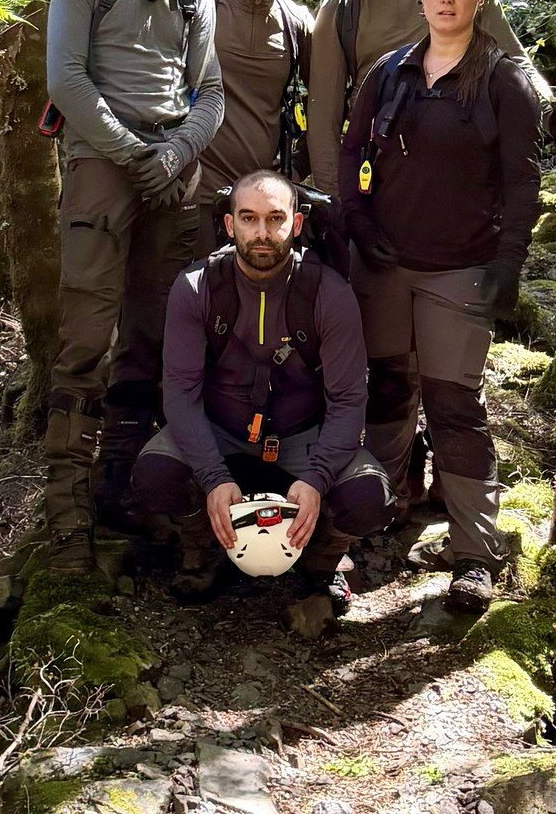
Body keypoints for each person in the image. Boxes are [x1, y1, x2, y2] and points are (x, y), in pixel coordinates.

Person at [339, 0, 541, 614]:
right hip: (386, 268)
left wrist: (508, 263)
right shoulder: (388, 72)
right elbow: (350, 151)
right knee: (388, 396)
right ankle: (376, 522)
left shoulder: (503, 80)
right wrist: (358, 224)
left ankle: (474, 555)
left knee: (454, 407)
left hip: (461, 270)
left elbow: (521, 181)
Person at [42, 0, 226, 571]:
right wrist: (132, 153)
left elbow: (208, 90)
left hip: (171, 174)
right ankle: (64, 511)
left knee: (154, 337)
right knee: (87, 333)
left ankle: (124, 487)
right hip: (103, 165)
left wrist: (177, 153)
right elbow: (65, 77)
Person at [133, 170, 391, 610]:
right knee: (155, 473)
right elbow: (180, 393)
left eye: (275, 219)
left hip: (303, 440)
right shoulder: (195, 288)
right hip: (219, 433)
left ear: (296, 223)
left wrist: (317, 476)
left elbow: (349, 400)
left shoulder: (329, 292)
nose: (262, 233)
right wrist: (213, 477)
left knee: (369, 497)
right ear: (230, 226)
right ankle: (202, 549)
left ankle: (323, 562)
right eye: (249, 219)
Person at [307, 0, 542, 211]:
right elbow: (322, 121)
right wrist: (338, 209)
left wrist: (549, 105)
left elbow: (515, 61)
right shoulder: (341, 8)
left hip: (467, 177)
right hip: (379, 183)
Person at [196, 0, 313, 256]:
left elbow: (327, 103)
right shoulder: (201, 6)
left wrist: (296, 172)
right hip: (195, 195)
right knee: (190, 300)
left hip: (263, 206)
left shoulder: (298, 23)